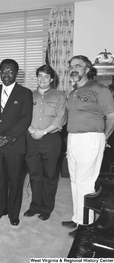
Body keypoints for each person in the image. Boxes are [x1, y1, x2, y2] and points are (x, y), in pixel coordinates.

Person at [62, 55, 114, 237]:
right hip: (73, 139)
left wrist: (103, 138)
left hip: (91, 139)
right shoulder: (72, 93)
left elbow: (112, 116)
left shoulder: (99, 89)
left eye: (78, 66)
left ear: (87, 69)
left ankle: (87, 225)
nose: (73, 69)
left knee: (86, 183)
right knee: (75, 181)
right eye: (71, 66)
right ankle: (77, 218)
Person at [0, 59, 33, 226]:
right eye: (3, 71)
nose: (6, 75)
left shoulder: (25, 93)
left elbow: (25, 119)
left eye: (10, 71)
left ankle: (13, 213)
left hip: (14, 144)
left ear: (16, 73)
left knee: (15, 181)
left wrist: (9, 138)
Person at [24, 65, 67, 221]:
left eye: (46, 77)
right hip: (31, 139)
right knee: (34, 175)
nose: (42, 79)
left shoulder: (60, 95)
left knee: (49, 176)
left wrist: (43, 131)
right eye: (40, 76)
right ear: (37, 78)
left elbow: (60, 118)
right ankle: (35, 206)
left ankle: (46, 208)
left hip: (51, 140)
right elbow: (23, 117)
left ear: (52, 79)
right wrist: (31, 130)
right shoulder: (28, 95)